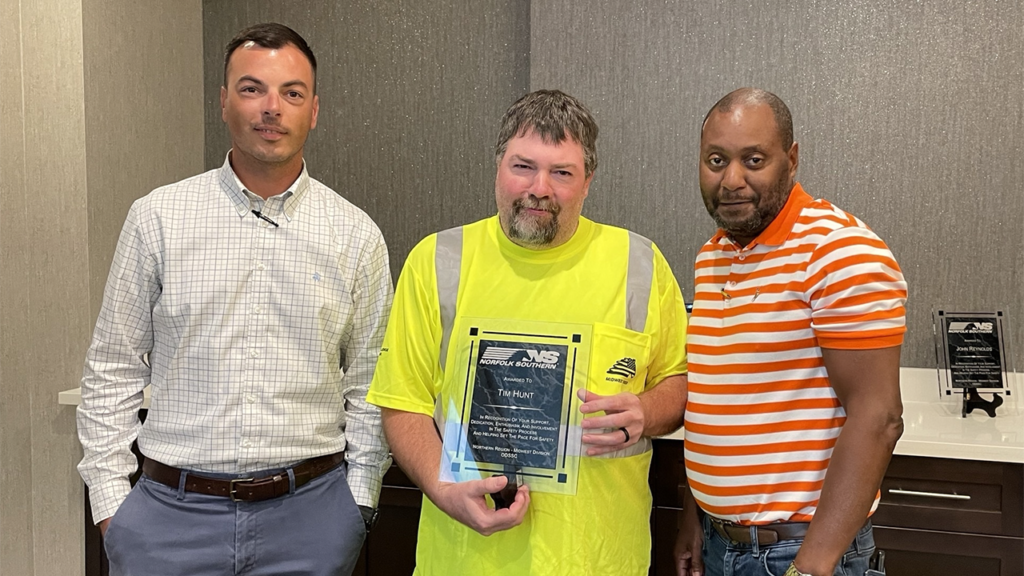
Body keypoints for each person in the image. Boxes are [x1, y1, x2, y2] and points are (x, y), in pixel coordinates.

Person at [77, 23, 392, 576]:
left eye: (291, 93)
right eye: (252, 89)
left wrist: (357, 504)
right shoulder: (158, 219)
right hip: (167, 521)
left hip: (311, 522)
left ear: (313, 110)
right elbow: (113, 367)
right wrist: (112, 508)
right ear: (224, 102)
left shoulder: (355, 234)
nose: (272, 107)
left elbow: (370, 383)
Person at [366, 89, 689, 575]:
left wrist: (646, 410)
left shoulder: (639, 264)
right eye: (523, 166)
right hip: (464, 559)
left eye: (562, 172)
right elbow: (402, 400)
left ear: (588, 182)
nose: (539, 188)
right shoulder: (436, 261)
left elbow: (682, 383)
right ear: (498, 165)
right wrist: (445, 488)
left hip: (600, 560)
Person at [676, 88, 907, 576]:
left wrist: (813, 565)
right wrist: (698, 514)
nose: (732, 179)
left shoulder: (839, 251)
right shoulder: (712, 255)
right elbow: (723, 399)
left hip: (797, 553)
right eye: (716, 160)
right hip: (723, 545)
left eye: (753, 159)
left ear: (792, 159)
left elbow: (879, 417)